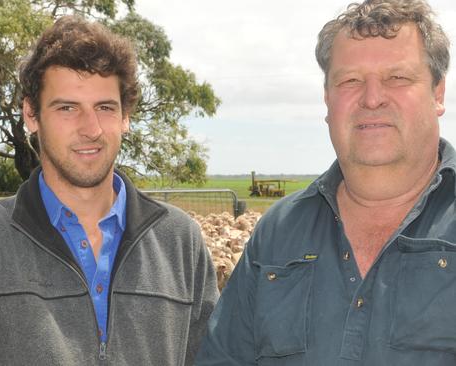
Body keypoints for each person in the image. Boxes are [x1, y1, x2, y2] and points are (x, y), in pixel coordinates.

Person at [0, 16, 219, 365]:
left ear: (125, 117)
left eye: (104, 108)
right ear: (31, 114)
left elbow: (216, 354)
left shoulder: (179, 240)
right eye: (67, 108)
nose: (91, 129)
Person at [195, 0, 456, 364]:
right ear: (327, 99)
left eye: (397, 77)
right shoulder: (278, 232)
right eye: (350, 80)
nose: (372, 98)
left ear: (438, 93)